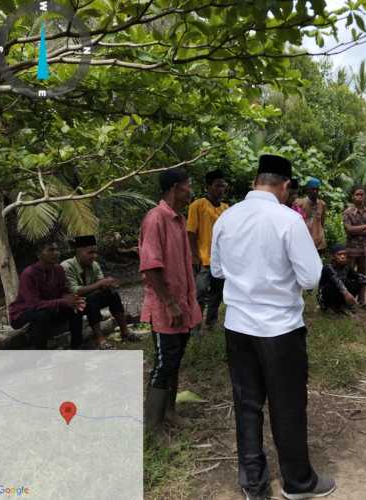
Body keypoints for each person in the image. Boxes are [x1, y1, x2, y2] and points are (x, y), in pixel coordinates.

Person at [211, 154, 336, 500]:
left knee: (247, 404)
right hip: (280, 330)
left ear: (256, 181)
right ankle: (297, 483)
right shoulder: (288, 220)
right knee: (288, 406)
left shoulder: (227, 218)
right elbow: (311, 277)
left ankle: (254, 484)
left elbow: (217, 271)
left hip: (238, 328)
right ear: (284, 186)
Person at [140, 168, 202, 432]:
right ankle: (151, 424)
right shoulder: (156, 219)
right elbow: (151, 266)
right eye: (188, 185)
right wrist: (169, 303)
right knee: (165, 362)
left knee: (175, 359)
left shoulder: (179, 219)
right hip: (168, 307)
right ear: (176, 187)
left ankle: (169, 412)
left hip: (183, 305)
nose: (191, 190)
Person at [61, 235, 141, 349]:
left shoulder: (94, 264)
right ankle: (100, 339)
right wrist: (99, 284)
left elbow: (101, 283)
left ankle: (125, 331)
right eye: (90, 252)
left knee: (113, 294)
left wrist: (108, 284)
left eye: (95, 252)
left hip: (89, 299)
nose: (94, 256)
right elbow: (76, 291)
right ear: (79, 251)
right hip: (74, 304)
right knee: (92, 299)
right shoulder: (66, 266)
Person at [9, 239, 85, 349]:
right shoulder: (29, 273)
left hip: (48, 308)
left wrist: (71, 299)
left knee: (76, 307)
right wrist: (63, 301)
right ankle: (41, 355)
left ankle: (77, 346)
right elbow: (33, 305)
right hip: (22, 314)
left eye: (57, 249)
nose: (56, 253)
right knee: (41, 314)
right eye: (51, 250)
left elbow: (63, 290)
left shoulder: (58, 269)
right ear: (39, 254)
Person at [187, 169, 229, 328]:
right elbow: (190, 232)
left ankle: (211, 322)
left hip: (220, 260)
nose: (221, 189)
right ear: (208, 186)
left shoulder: (226, 208)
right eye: (217, 186)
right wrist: (194, 256)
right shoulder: (197, 205)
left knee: (217, 293)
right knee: (200, 292)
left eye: (223, 186)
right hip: (203, 259)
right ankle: (196, 325)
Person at [318, 243, 366, 314]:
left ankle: (343, 305)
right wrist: (346, 293)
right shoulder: (328, 267)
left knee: (358, 282)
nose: (343, 256)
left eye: (344, 254)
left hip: (340, 292)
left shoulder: (346, 266)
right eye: (339, 254)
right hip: (326, 297)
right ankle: (330, 307)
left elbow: (359, 277)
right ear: (333, 256)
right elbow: (337, 281)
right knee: (332, 285)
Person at [342, 186, 366, 310]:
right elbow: (349, 230)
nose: (360, 197)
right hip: (351, 250)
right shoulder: (347, 212)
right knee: (350, 275)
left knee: (363, 275)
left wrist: (358, 229)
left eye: (362, 194)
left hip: (365, 249)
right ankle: (349, 301)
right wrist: (365, 227)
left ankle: (362, 300)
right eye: (357, 194)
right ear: (352, 196)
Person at [295, 177, 327, 254]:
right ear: (307, 190)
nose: (315, 191)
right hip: (304, 241)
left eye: (317, 189)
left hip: (319, 244)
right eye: (312, 189)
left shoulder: (322, 204)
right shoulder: (300, 203)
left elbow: (322, 223)